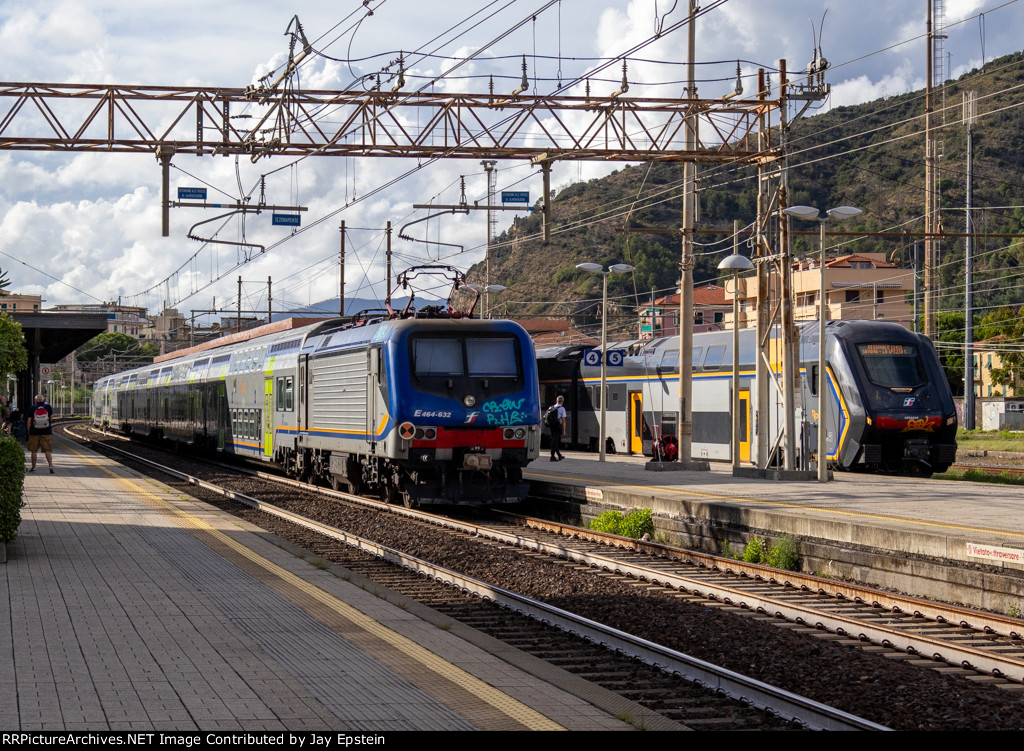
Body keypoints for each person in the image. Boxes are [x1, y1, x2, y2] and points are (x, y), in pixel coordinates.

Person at [28, 393, 54, 473]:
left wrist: (28, 431)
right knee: (47, 450)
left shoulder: (32, 408)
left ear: (35, 400)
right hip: (46, 432)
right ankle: (50, 465)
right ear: (43, 400)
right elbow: (51, 419)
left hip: (34, 432)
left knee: (34, 451)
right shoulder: (48, 407)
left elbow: (29, 420)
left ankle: (34, 467)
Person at [545, 395, 567, 461]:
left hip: (552, 426)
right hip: (557, 426)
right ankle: (552, 456)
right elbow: (563, 420)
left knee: (555, 441)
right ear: (562, 402)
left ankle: (559, 455)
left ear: (556, 401)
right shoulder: (562, 408)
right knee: (554, 441)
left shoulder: (551, 407)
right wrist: (564, 430)